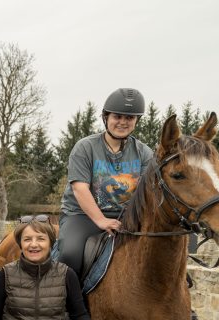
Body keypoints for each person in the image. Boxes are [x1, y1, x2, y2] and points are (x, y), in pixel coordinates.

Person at [58, 88, 156, 278]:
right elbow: (79, 188)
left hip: (126, 217)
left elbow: (146, 193)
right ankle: (66, 305)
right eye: (117, 116)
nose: (122, 122)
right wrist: (101, 220)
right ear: (106, 117)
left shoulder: (144, 153)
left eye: (129, 118)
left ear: (136, 121)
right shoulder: (85, 147)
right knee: (70, 254)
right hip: (82, 215)